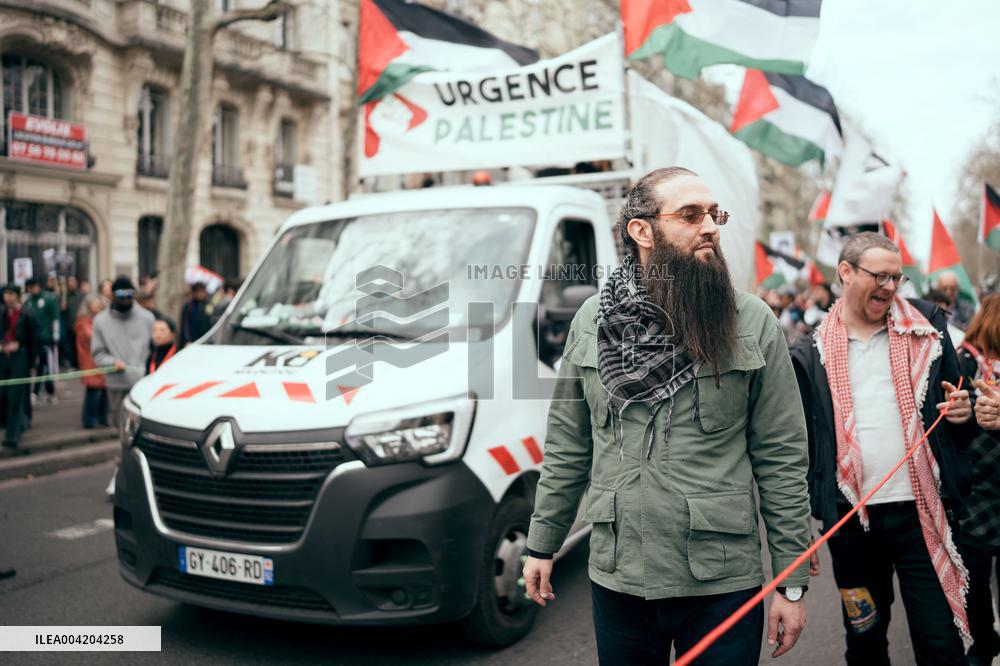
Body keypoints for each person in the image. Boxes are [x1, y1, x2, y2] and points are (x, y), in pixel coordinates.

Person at [523, 167, 812, 665]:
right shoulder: (592, 321)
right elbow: (568, 446)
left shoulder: (751, 322)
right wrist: (542, 544)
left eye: (715, 214)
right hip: (619, 576)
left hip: (721, 579)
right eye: (691, 215)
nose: (711, 227)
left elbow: (781, 457)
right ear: (642, 230)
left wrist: (791, 582)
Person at [790, 232, 975, 665]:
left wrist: (963, 413)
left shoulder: (928, 328)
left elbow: (959, 405)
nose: (890, 287)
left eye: (897, 278)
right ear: (846, 272)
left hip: (922, 516)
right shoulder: (809, 353)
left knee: (942, 644)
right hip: (851, 524)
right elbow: (799, 447)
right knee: (865, 641)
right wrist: (800, 523)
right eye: (880, 276)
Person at [954, 294, 1000, 666]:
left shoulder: (963, 359)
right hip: (979, 487)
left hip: (975, 484)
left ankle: (983, 645)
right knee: (975, 580)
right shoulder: (964, 360)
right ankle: (984, 643)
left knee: (975, 579)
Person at [91, 277, 154, 429]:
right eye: (121, 296)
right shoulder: (100, 321)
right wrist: (112, 362)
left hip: (143, 384)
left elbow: (155, 350)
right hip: (117, 384)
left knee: (143, 428)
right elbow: (97, 353)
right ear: (113, 295)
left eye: (129, 296)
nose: (125, 300)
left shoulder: (147, 318)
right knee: (120, 427)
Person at [0, 284, 38, 448]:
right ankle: (16, 424)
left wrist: (32, 362)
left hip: (20, 357)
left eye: (11, 294)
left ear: (17, 296)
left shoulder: (26, 313)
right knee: (4, 394)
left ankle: (12, 435)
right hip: (4, 357)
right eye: (5, 294)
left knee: (15, 395)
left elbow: (33, 339)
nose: (8, 298)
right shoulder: (2, 313)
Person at [23, 277, 59, 404]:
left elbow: (55, 317)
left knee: (45, 365)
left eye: (32, 288)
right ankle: (42, 391)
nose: (30, 290)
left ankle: (42, 391)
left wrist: (56, 333)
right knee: (36, 365)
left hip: (46, 337)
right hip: (32, 339)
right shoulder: (28, 301)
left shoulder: (48, 298)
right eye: (28, 288)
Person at [75, 296, 109, 429]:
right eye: (96, 304)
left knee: (103, 392)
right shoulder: (84, 323)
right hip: (90, 362)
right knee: (94, 392)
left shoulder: (100, 321)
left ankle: (102, 418)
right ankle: (90, 420)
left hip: (100, 361)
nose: (99, 306)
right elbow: (91, 337)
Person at [179, 282, 212, 347]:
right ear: (194, 293)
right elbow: (185, 325)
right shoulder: (189, 307)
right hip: (193, 341)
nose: (201, 294)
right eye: (198, 292)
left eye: (202, 292)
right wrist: (187, 340)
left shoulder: (208, 305)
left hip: (206, 341)